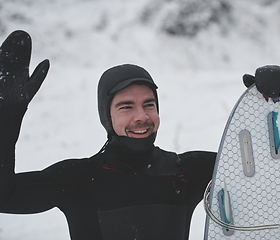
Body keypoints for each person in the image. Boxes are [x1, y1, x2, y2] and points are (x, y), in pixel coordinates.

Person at [0, 30, 216, 240]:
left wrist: (251, 103)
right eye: (126, 107)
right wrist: (6, 116)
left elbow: (247, 168)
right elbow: (4, 196)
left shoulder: (187, 172)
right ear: (107, 117)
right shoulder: (78, 180)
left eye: (148, 104)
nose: (141, 116)